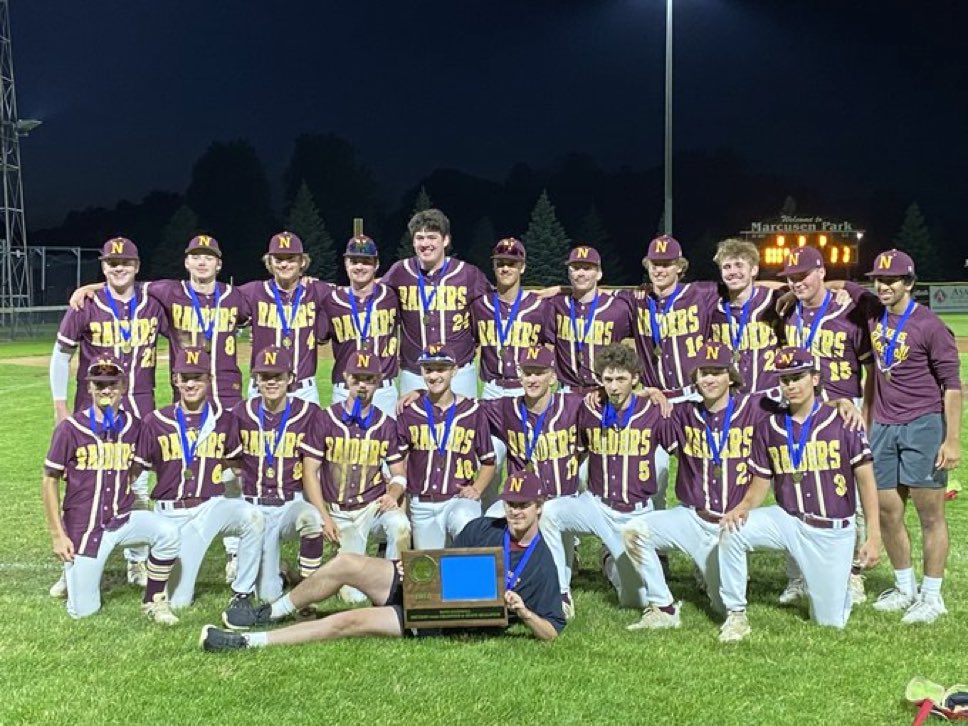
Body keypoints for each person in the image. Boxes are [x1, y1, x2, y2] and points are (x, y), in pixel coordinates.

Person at [202, 469, 565, 649]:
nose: (515, 512)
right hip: (420, 588)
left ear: (539, 507)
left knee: (347, 620)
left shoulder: (542, 564)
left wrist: (523, 611)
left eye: (523, 505)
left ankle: (249, 642)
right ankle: (269, 611)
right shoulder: (484, 527)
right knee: (345, 562)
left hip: (433, 617)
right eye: (511, 504)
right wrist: (416, 568)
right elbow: (446, 567)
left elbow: (552, 631)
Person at [716, 346, 882, 643]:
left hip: (831, 531)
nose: (791, 385)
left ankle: (837, 582)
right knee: (732, 530)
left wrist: (873, 535)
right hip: (789, 520)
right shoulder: (770, 425)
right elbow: (760, 482)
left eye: (798, 377)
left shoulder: (844, 421)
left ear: (815, 378)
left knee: (829, 624)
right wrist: (743, 506)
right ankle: (736, 613)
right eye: (785, 379)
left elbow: (866, 480)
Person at [841, 249, 961, 624]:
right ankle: (904, 586)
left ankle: (932, 595)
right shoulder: (873, 309)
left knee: (930, 515)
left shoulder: (930, 325)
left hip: (923, 424)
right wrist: (787, 291)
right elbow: (837, 282)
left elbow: (952, 387)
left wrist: (952, 439)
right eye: (878, 279)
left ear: (909, 283)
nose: (883, 285)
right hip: (884, 426)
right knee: (889, 511)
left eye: (891, 280)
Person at [622, 342, 773, 628]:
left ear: (731, 375)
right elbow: (637, 404)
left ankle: (736, 616)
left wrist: (836, 403)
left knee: (720, 603)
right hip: (693, 516)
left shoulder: (754, 409)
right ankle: (663, 608)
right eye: (704, 373)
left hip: (731, 524)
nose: (710, 380)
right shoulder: (684, 412)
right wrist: (647, 392)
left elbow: (802, 407)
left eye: (717, 372)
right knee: (634, 531)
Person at [49, 236, 171, 594]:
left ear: (137, 266)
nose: (118, 268)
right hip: (94, 407)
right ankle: (74, 559)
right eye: (111, 263)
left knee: (138, 483)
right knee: (83, 483)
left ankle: (136, 561)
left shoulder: (154, 303)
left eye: (126, 263)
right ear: (103, 267)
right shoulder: (85, 304)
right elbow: (61, 356)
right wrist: (59, 404)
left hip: (139, 406)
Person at [41, 355, 180, 624]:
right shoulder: (70, 429)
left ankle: (153, 600)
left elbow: (138, 466)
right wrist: (58, 534)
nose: (106, 390)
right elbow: (49, 479)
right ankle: (73, 572)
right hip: (86, 528)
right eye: (100, 383)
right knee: (84, 612)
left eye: (112, 384)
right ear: (89, 387)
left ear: (124, 386)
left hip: (122, 519)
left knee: (168, 533)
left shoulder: (134, 427)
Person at [777, 244, 874, 605]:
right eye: (792, 278)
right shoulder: (789, 314)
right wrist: (789, 291)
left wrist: (865, 411)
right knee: (793, 490)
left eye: (803, 275)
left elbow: (871, 369)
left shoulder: (850, 311)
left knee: (849, 496)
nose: (798, 283)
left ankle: (853, 574)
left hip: (843, 410)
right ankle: (798, 576)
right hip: (800, 410)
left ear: (821, 272)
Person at [133, 347, 264, 612]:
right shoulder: (156, 420)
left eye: (198, 377)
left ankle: (242, 592)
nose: (191, 383)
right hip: (172, 515)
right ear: (175, 379)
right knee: (179, 602)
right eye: (185, 377)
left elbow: (236, 468)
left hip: (209, 507)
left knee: (253, 517)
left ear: (209, 380)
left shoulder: (224, 420)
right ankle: (154, 565)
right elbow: (137, 473)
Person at [301, 351, 412, 603]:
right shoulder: (325, 418)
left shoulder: (386, 424)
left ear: (379, 380)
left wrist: (393, 494)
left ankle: (397, 586)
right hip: (338, 511)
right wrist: (324, 516)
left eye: (369, 379)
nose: (362, 385)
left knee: (400, 525)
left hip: (371, 507)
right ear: (346, 378)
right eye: (357, 378)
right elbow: (310, 471)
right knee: (354, 598)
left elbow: (398, 473)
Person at [575, 343, 670, 609]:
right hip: (599, 506)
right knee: (551, 513)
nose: (614, 387)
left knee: (636, 600)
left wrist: (652, 393)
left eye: (621, 379)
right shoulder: (589, 407)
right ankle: (559, 593)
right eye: (607, 380)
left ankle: (611, 560)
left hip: (638, 511)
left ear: (636, 378)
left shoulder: (652, 409)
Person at [228, 345, 327, 602]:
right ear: (256, 379)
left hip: (289, 503)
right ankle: (281, 574)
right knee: (268, 595)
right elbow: (232, 458)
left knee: (311, 518)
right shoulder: (242, 412)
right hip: (255, 506)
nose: (271, 382)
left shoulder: (308, 412)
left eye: (278, 376)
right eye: (264, 376)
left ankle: (309, 586)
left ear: (290, 378)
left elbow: (315, 463)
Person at [381, 209, 491, 399]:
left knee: (461, 427)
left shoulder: (468, 274)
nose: (425, 244)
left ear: (445, 240)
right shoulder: (400, 271)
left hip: (459, 372)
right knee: (413, 428)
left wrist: (560, 289)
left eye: (431, 237)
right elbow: (373, 292)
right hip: (415, 373)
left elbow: (498, 303)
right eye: (419, 237)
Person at [394, 346, 496, 548]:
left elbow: (488, 460)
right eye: (428, 369)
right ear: (421, 372)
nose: (434, 376)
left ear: (454, 371)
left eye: (441, 369)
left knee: (465, 529)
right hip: (421, 503)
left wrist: (477, 489)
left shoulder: (472, 411)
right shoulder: (409, 412)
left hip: (457, 499)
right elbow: (399, 461)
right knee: (430, 570)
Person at [237, 231, 332, 405]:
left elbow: (356, 292)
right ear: (270, 262)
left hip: (303, 391)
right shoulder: (254, 291)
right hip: (263, 388)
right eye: (279, 259)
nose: (284, 264)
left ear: (302, 261)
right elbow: (218, 299)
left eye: (290, 259)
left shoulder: (316, 291)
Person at [318, 234, 400, 416]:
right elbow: (319, 337)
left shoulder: (392, 295)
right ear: (346, 264)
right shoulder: (331, 300)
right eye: (354, 261)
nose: (360, 267)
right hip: (345, 389)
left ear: (376, 265)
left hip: (383, 390)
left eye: (366, 261)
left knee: (385, 443)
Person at [547, 245, 634, 394]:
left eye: (587, 268)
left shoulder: (618, 308)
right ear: (569, 273)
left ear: (599, 273)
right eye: (576, 268)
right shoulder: (556, 305)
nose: (581, 273)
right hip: (566, 392)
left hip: (603, 391)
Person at [707, 238, 784, 395]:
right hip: (730, 398)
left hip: (770, 397)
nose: (733, 272)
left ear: (754, 270)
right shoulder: (712, 306)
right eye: (727, 267)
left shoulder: (774, 300)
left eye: (739, 265)